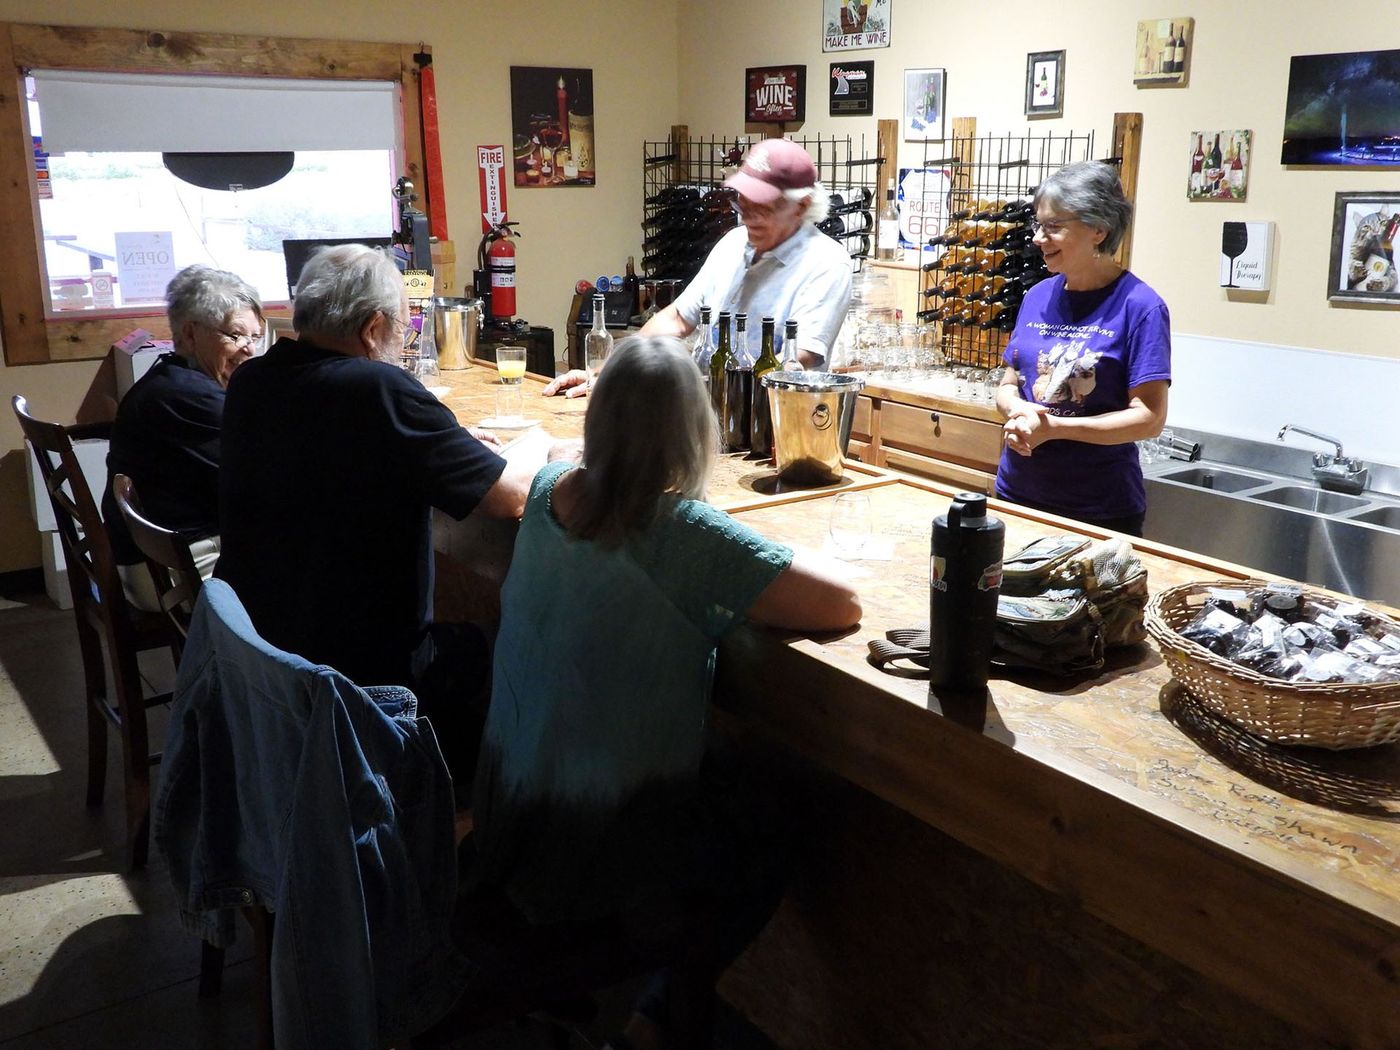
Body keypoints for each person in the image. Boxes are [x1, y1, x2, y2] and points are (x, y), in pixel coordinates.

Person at [471, 336, 860, 1049]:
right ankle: (663, 1014)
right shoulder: (683, 532)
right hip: (596, 855)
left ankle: (655, 1011)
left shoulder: (546, 493)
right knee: (766, 824)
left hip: (511, 818)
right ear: (694, 431)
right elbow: (841, 603)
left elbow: (533, 462)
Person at [215, 244, 541, 788]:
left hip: (268, 649)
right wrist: (537, 444)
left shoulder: (253, 379)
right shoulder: (378, 389)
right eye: (402, 327)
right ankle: (468, 821)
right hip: (366, 671)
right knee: (510, 645)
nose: (403, 339)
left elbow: (355, 453)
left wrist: (445, 442)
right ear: (372, 329)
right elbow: (512, 498)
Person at [543, 138, 853, 397]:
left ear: (800, 205)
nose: (747, 217)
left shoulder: (826, 262)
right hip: (708, 411)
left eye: (763, 207)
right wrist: (607, 371)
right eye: (743, 203)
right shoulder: (734, 243)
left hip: (770, 422)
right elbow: (677, 319)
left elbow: (799, 359)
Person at [994, 161, 1171, 536]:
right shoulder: (1037, 296)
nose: (1038, 238)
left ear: (1098, 229)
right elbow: (1009, 383)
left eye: (1054, 227)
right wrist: (1017, 409)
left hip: (1098, 510)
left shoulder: (1140, 307)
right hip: (1017, 492)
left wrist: (1055, 427)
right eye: (1038, 225)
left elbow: (1150, 419)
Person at [102, 264, 263, 611]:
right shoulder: (192, 399)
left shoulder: (172, 380)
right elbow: (265, 481)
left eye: (255, 337)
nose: (249, 349)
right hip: (166, 570)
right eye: (235, 335)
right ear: (190, 335)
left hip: (154, 554)